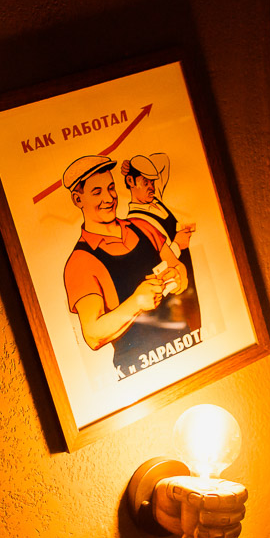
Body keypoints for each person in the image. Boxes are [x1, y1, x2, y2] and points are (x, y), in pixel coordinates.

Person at [60, 155, 190, 380]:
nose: (109, 197)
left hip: (186, 346)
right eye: (97, 192)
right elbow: (92, 335)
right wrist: (137, 303)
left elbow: (178, 267)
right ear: (77, 199)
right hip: (139, 370)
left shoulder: (142, 227)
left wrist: (179, 277)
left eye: (111, 188)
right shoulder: (80, 261)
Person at [122, 154, 202, 329]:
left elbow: (164, 160)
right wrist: (178, 245)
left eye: (152, 182)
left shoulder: (155, 200)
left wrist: (132, 161)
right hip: (175, 292)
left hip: (188, 276)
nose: (151, 187)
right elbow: (154, 264)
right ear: (130, 181)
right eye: (145, 182)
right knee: (190, 325)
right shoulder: (135, 221)